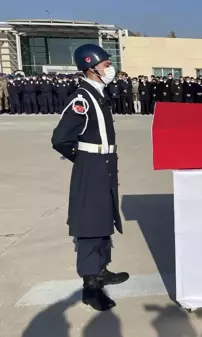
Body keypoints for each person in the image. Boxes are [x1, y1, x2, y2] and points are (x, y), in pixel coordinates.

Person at [51, 44, 129, 311]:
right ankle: (90, 286)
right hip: (92, 165)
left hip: (104, 163)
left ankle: (101, 269)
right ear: (91, 67)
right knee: (89, 225)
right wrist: (83, 160)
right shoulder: (83, 99)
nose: (110, 69)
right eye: (106, 65)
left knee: (103, 218)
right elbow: (61, 139)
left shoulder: (99, 94)